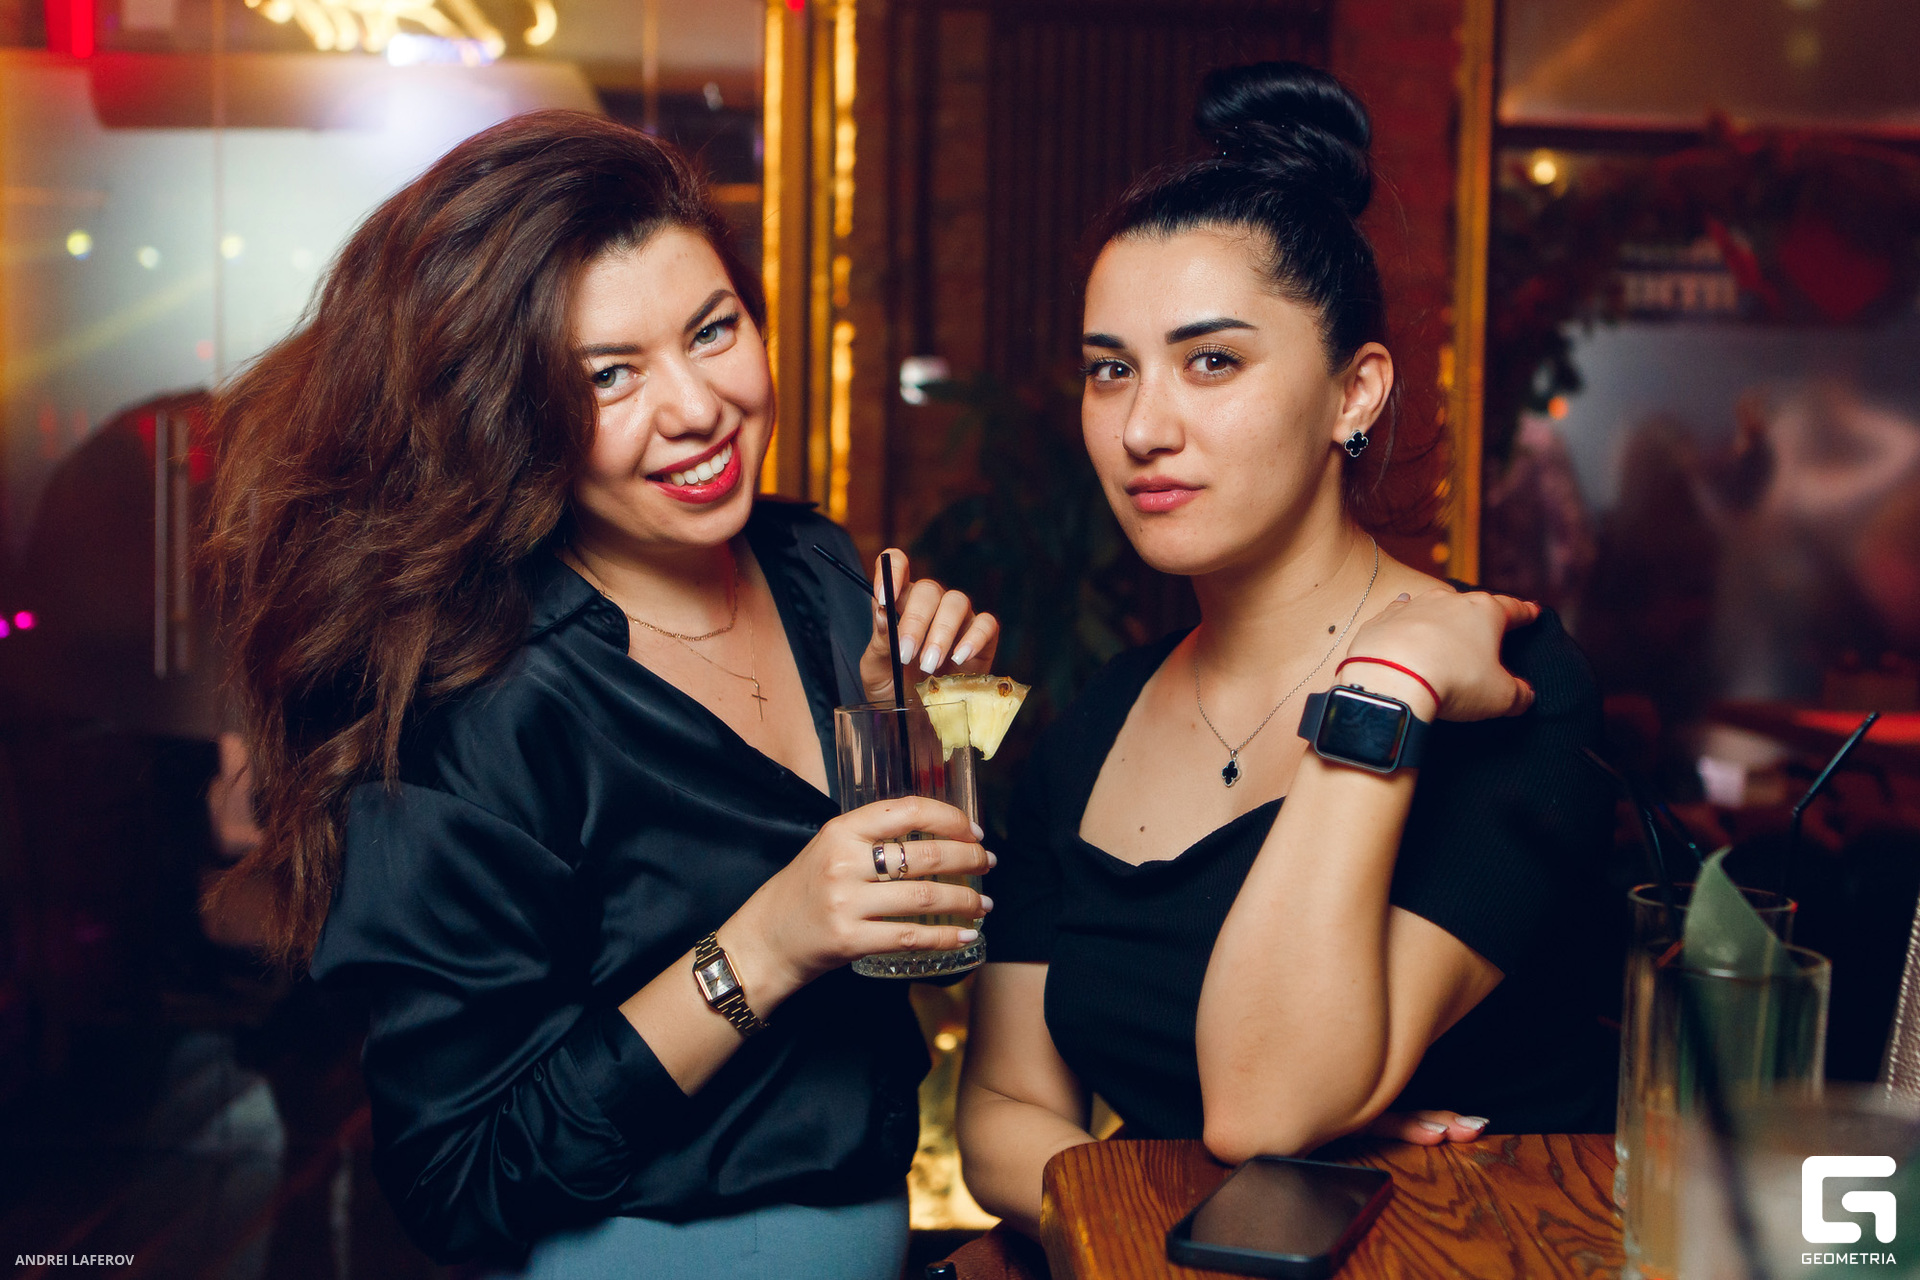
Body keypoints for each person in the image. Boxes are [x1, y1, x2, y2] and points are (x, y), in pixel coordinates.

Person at [203, 110, 1000, 1278]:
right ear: (511, 411)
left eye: (712, 330)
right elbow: (458, 1179)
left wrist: (911, 734)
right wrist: (765, 944)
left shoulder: (818, 573)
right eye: (609, 375)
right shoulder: (479, 702)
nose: (695, 407)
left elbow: (930, 950)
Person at [955, 63, 1615, 1241]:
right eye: (1111, 369)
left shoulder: (1512, 687)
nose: (1143, 427)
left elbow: (1266, 1100)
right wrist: (1200, 1197)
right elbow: (1001, 1111)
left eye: (1212, 360)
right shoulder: (1097, 721)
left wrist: (1385, 686)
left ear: (1355, 393)